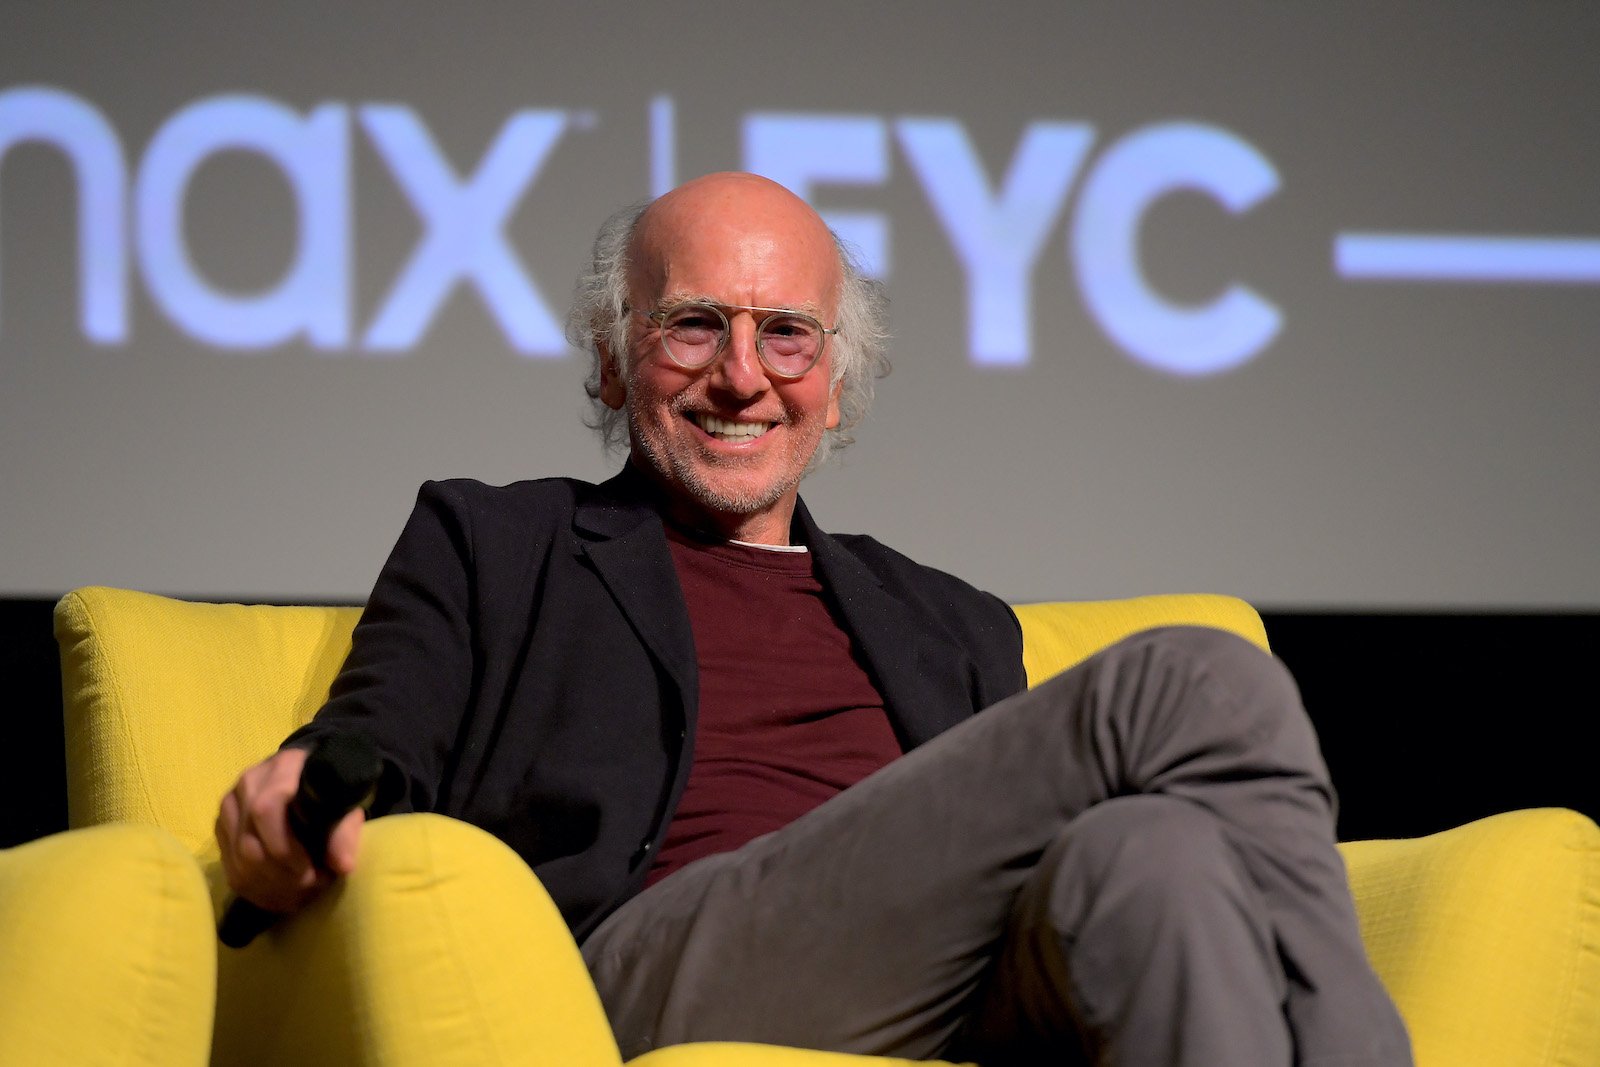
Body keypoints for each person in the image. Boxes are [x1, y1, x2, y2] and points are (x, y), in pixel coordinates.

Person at [216, 171, 1412, 1065]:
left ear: (835, 385)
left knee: (1153, 857)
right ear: (611, 361)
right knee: (1191, 683)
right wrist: (300, 789)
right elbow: (379, 730)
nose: (744, 374)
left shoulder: (950, 620)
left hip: (940, 989)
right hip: (651, 969)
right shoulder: (498, 539)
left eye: (786, 332)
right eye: (694, 324)